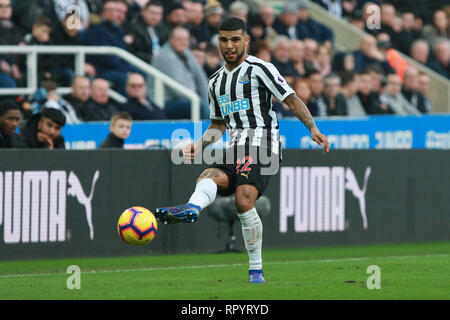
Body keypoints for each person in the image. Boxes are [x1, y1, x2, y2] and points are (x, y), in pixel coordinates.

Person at [154, 17, 329, 284]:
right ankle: (192, 208)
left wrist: (313, 128)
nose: (229, 45)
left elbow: (291, 99)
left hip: (263, 145)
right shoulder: (215, 82)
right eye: (224, 40)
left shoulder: (261, 69)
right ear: (218, 42)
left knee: (243, 200)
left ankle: (255, 270)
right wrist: (199, 146)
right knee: (207, 177)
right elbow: (218, 124)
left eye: (235, 39)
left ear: (246, 40)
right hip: (235, 148)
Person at [150, 26, 209, 119]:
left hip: (184, 99)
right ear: (171, 40)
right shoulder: (166, 57)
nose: (183, 42)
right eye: (179, 39)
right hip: (164, 102)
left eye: (186, 39)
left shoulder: (186, 52)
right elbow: (179, 91)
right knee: (201, 107)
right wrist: (199, 101)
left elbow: (201, 77)